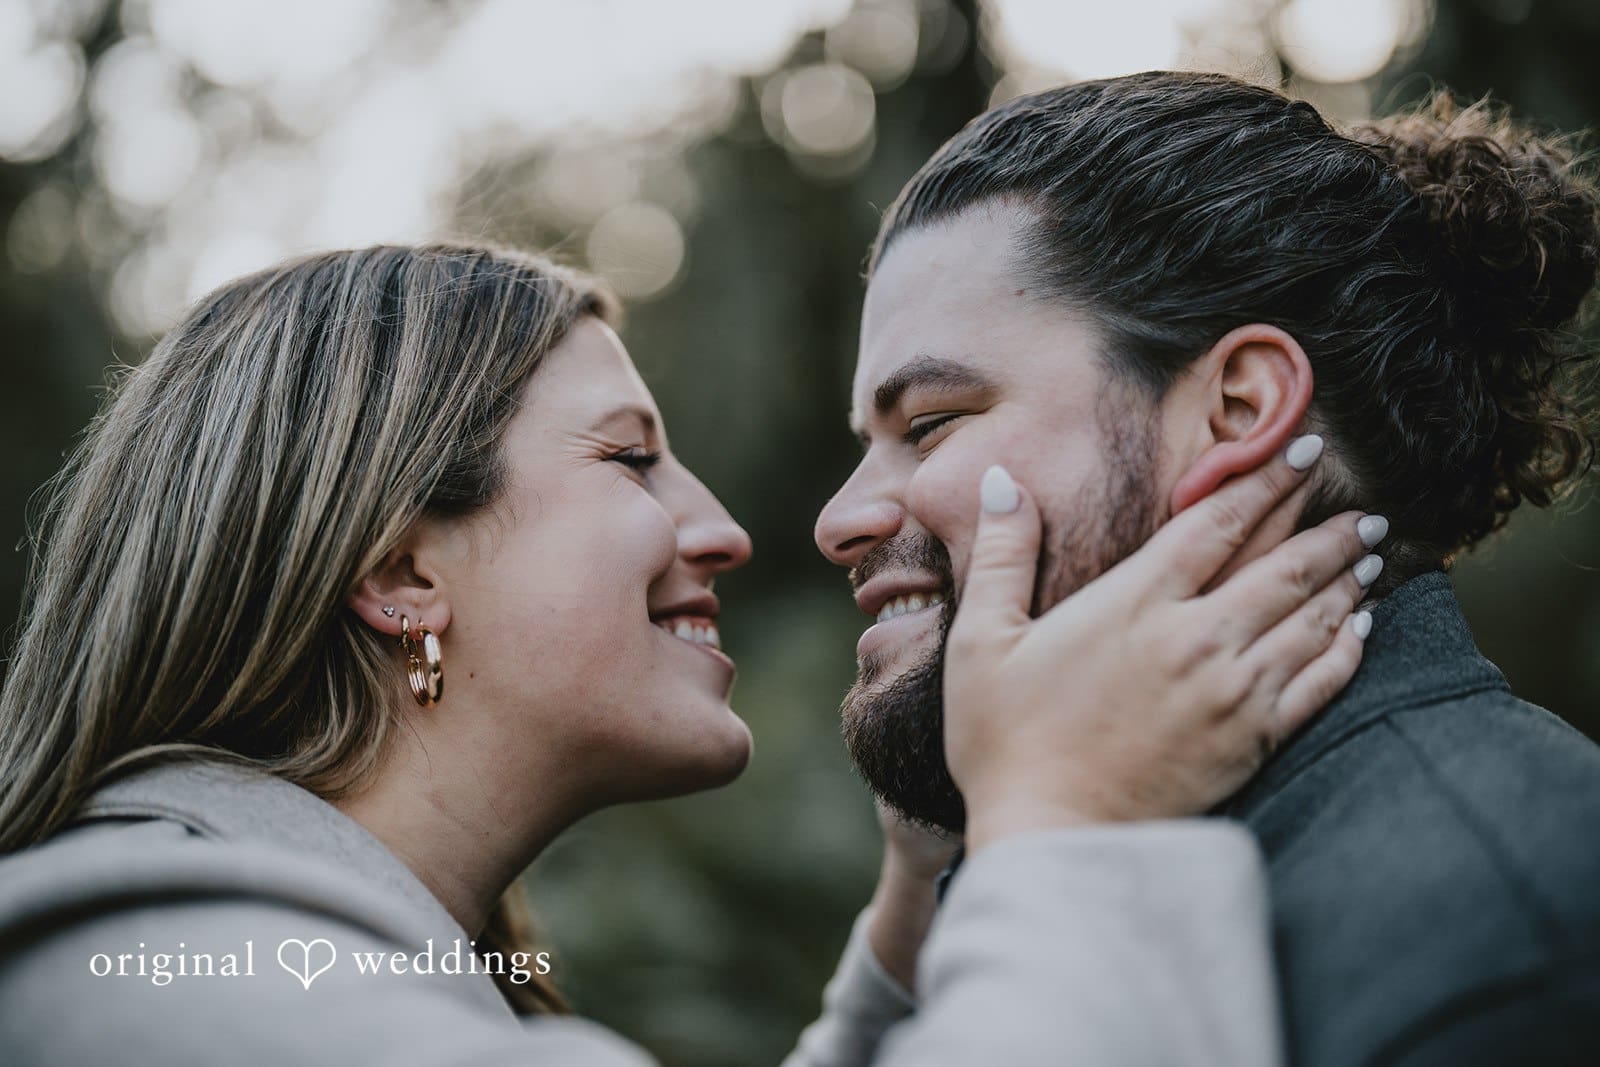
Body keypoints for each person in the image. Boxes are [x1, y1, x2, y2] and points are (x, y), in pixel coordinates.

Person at [0, 242, 1375, 1065]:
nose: (721, 528)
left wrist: (914, 908)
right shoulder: (185, 985)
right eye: (631, 459)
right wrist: (1071, 823)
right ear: (402, 572)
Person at [813, 71, 1600, 1066]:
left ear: (1235, 410)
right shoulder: (1021, 869)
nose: (839, 518)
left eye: (928, 423)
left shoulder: (1506, 947)